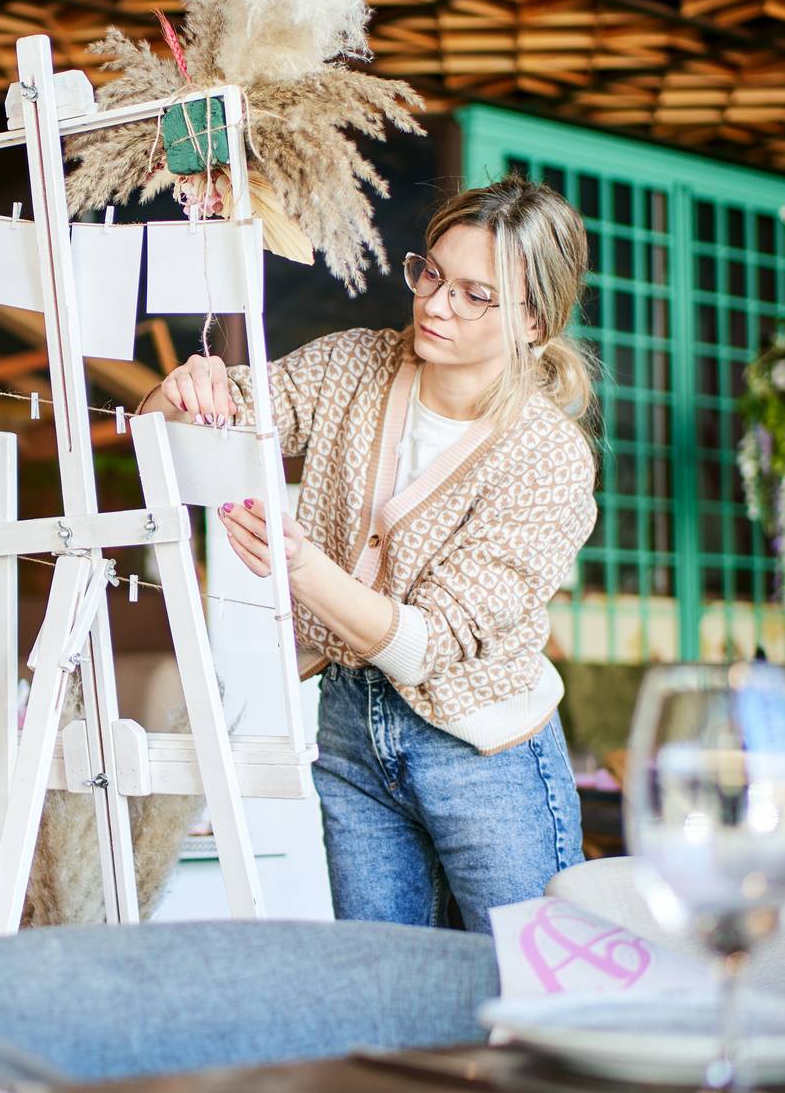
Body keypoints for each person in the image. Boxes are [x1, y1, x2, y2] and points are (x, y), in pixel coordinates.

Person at [137, 177, 601, 932]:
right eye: (432, 275)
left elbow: (425, 649)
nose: (436, 304)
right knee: (386, 987)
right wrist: (182, 389)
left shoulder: (548, 461)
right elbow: (184, 429)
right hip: (351, 730)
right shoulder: (354, 366)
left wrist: (301, 566)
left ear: (534, 323)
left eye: (475, 295)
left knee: (526, 986)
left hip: (483, 751)